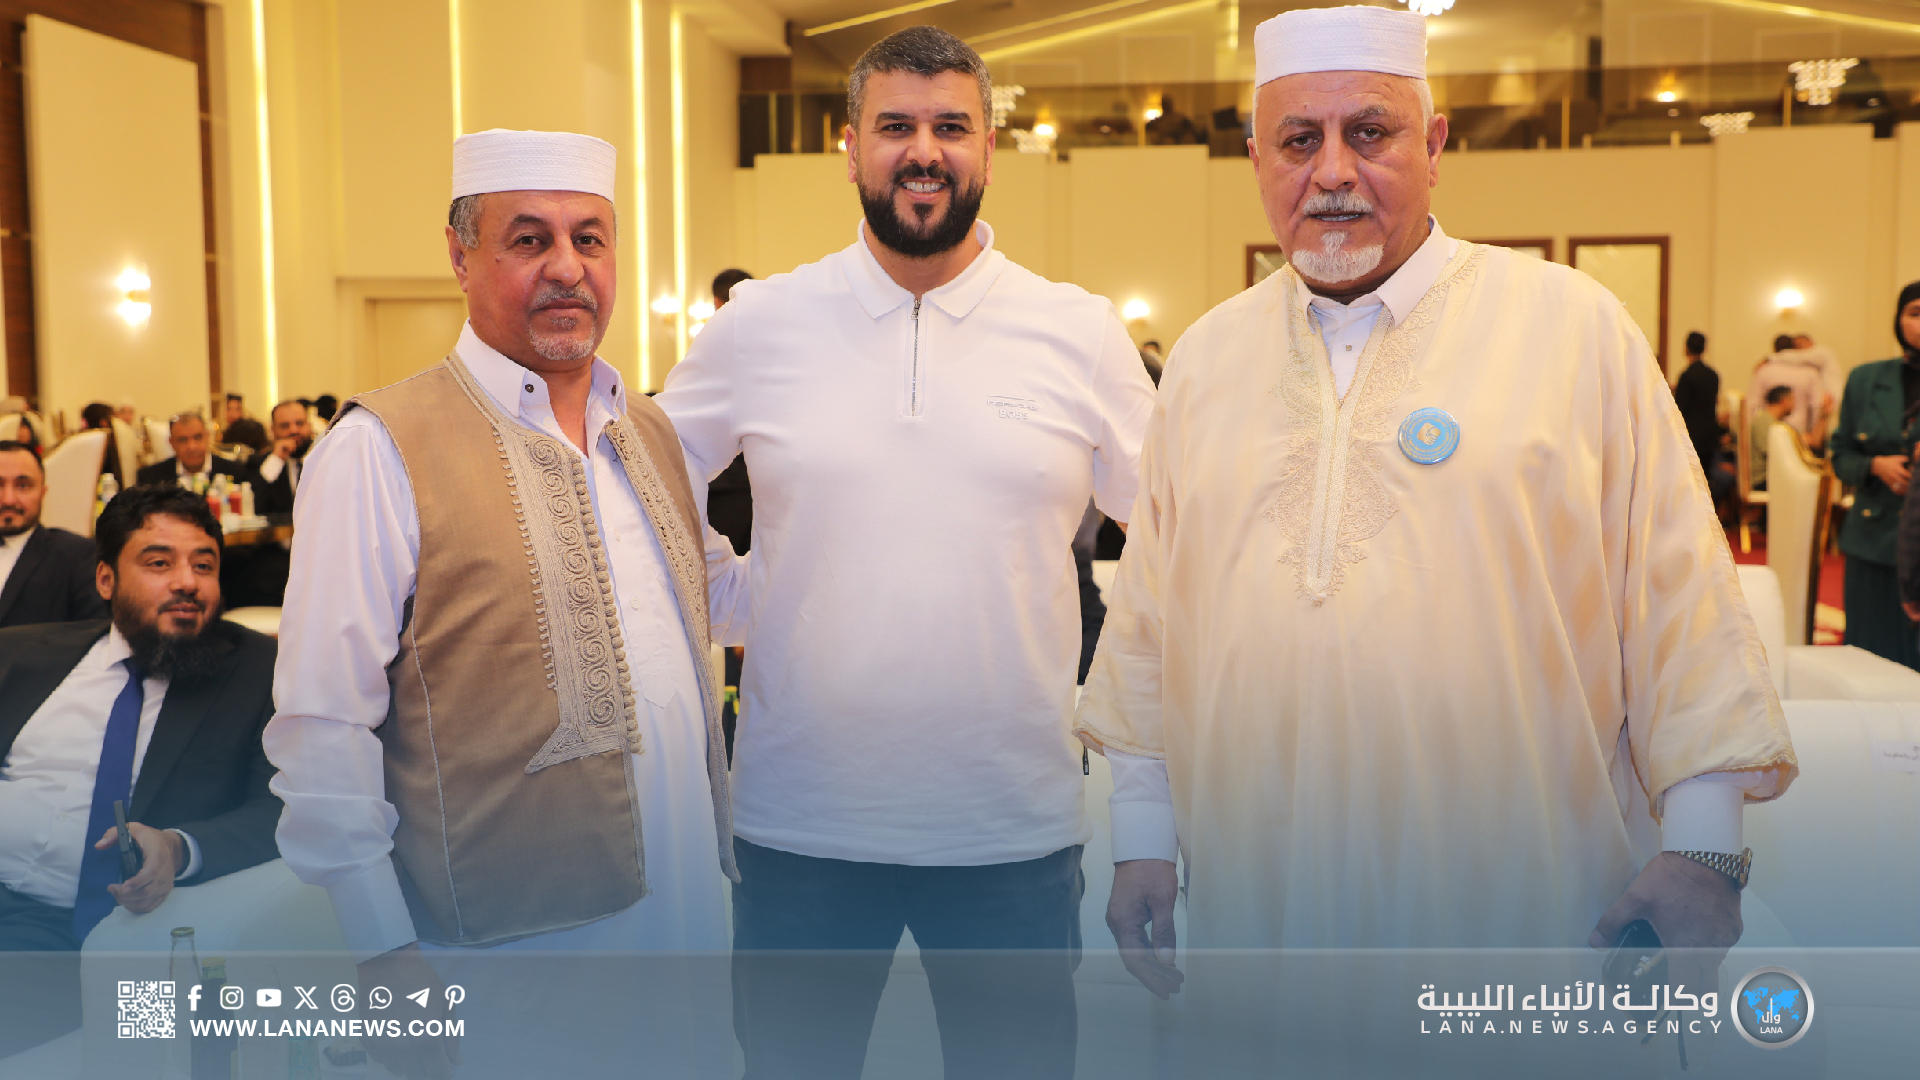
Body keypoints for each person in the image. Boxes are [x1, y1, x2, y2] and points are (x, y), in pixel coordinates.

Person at [1076, 2, 1793, 1028]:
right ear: (1256, 160)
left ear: (1436, 145)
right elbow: (1152, 623)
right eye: (1298, 140)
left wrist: (1707, 849)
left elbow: (1680, 601)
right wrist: (1143, 841)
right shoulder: (1204, 360)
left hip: (1524, 906)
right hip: (1259, 905)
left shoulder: (1571, 327)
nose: (1332, 171)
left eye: (1370, 132)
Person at [656, 27, 1154, 1079]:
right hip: (800, 830)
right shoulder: (762, 321)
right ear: (850, 148)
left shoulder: (1078, 330)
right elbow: (644, 480)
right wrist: (736, 599)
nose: (923, 151)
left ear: (988, 149)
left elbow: (1169, 544)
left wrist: (1147, 788)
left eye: (950, 127)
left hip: (1012, 832)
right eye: (895, 126)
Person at [264, 128, 746, 1080]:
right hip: (506, 956)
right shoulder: (379, 448)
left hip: (691, 918)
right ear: (460, 255)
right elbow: (323, 722)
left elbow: (720, 596)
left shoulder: (648, 430)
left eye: (590, 239)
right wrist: (381, 952)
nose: (567, 267)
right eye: (529, 240)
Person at [0, 485, 280, 1057]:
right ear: (106, 580)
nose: (187, 582)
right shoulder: (22, 654)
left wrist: (179, 847)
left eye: (204, 565)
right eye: (159, 563)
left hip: (98, 931)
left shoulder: (259, 673)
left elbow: (281, 808)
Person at [1835, 280, 1920, 668]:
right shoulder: (1865, 380)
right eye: (1915, 313)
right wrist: (1874, 466)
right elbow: (1840, 455)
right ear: (1898, 320)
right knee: (1870, 658)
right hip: (1873, 539)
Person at [0, 442, 108, 628]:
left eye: (23, 486)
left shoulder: (79, 555)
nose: (8, 499)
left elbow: (95, 632)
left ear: (43, 493)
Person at [1672, 330, 1732, 507]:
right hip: (1709, 435)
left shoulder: (1687, 376)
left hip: (1691, 435)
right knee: (1705, 479)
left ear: (1686, 349)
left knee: (1690, 480)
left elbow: (1680, 409)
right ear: (1705, 348)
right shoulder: (1713, 375)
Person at [1752, 334, 1829, 448]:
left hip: (1768, 432)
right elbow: (1817, 406)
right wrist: (1813, 436)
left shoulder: (1764, 370)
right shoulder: (1810, 372)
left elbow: (1752, 405)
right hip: (1800, 434)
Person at [133, 413, 244, 490]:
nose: (191, 447)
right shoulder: (151, 479)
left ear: (207, 437)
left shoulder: (235, 472)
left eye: (197, 437)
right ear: (172, 443)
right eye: (183, 440)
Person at [245, 400, 313, 514]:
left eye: (299, 423)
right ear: (273, 430)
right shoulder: (258, 463)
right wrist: (276, 459)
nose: (294, 430)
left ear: (309, 426)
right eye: (285, 426)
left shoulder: (324, 459)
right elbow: (255, 507)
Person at [1748, 384, 1794, 489]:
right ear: (1783, 400)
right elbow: (1772, 452)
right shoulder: (1763, 421)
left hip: (1770, 476)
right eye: (1792, 400)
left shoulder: (1774, 422)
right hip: (1762, 479)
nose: (1794, 404)